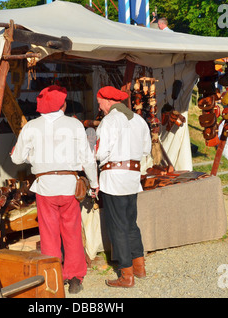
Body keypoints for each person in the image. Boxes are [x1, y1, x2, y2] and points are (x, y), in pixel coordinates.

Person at [10, 85, 99, 294]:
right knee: (72, 233)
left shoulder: (31, 127)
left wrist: (33, 157)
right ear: (63, 104)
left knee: (49, 234)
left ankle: (53, 276)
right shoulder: (74, 125)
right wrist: (94, 184)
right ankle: (75, 277)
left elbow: (16, 158)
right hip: (69, 185)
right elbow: (88, 159)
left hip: (45, 187)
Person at [95, 86, 151, 288]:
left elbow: (100, 153)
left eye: (100, 101)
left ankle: (126, 275)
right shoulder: (139, 120)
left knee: (118, 225)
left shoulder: (109, 121)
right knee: (130, 223)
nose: (99, 106)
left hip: (114, 178)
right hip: (132, 178)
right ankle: (139, 266)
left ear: (109, 101)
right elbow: (146, 149)